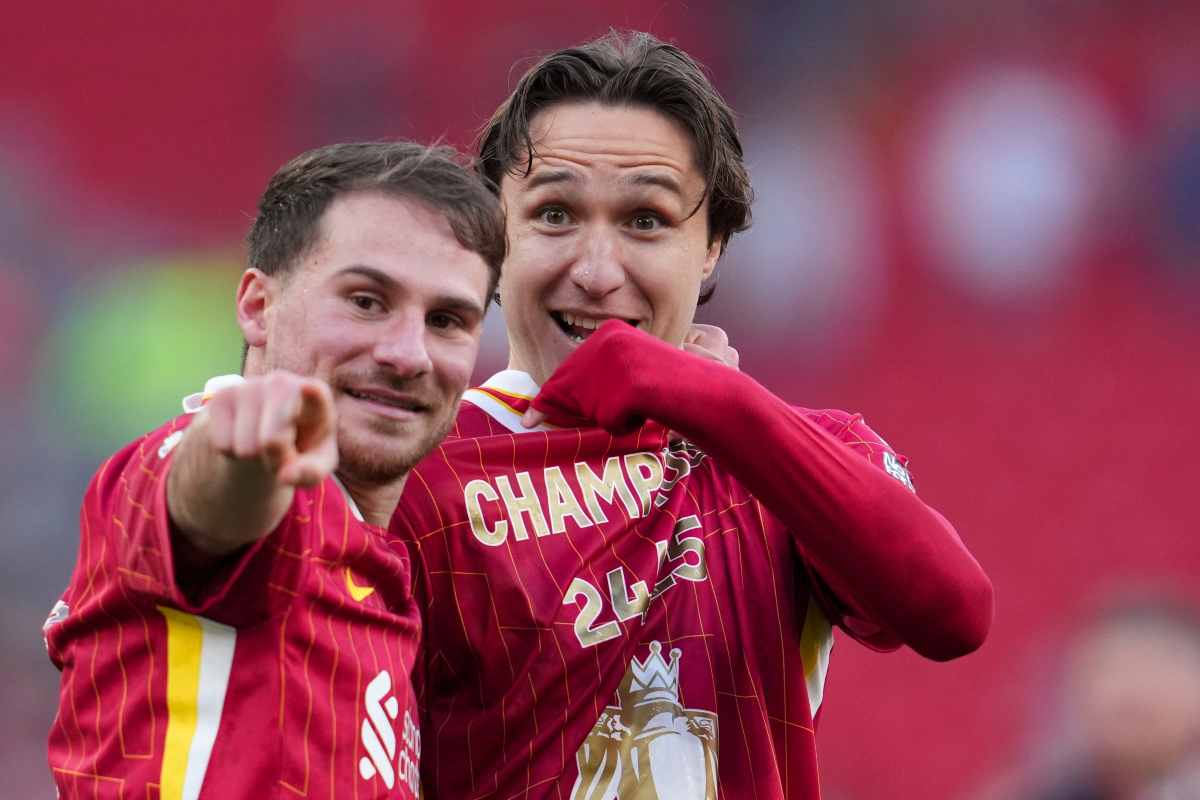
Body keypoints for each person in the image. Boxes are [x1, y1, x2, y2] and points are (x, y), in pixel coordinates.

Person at [392, 31, 994, 799]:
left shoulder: (790, 461)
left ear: (711, 247)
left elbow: (953, 613)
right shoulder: (415, 468)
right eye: (553, 214)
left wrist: (713, 403)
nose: (597, 269)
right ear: (492, 237)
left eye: (646, 220)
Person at [43, 140, 505, 799]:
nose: (409, 354)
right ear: (258, 307)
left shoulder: (385, 576)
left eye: (447, 320)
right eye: (366, 301)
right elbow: (205, 504)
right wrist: (248, 453)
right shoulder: (194, 468)